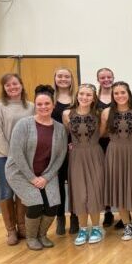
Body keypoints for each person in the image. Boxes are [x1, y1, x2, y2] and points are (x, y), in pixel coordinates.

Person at [5, 85, 68, 250]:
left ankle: (42, 234)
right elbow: (16, 153)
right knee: (35, 203)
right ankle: (31, 237)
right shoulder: (23, 124)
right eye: (39, 104)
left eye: (47, 103)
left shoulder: (60, 129)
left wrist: (46, 177)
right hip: (20, 172)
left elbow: (60, 156)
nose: (43, 107)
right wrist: (32, 178)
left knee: (53, 203)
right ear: (35, 106)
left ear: (53, 105)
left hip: (47, 173)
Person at [100, 81, 132, 241]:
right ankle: (127, 224)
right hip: (114, 153)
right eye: (116, 93)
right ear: (113, 96)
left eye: (123, 92)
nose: (120, 96)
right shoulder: (107, 112)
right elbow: (100, 134)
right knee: (119, 189)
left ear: (128, 93)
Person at [0, 73, 34, 245]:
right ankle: (11, 231)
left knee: (22, 191)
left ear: (21, 85)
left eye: (15, 84)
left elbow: (33, 131)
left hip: (25, 157)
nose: (12, 87)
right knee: (7, 191)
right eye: (8, 85)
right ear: (4, 88)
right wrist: (12, 156)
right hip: (2, 157)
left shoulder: (30, 106)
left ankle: (22, 227)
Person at [62, 84, 106, 245]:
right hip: (76, 156)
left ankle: (95, 227)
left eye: (88, 95)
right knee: (80, 193)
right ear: (77, 95)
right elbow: (68, 135)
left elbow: (102, 134)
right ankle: (82, 228)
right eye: (82, 94)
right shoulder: (67, 114)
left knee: (94, 191)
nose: (84, 97)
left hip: (94, 154)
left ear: (93, 98)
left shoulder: (99, 114)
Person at [52, 67, 78, 236]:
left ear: (71, 79)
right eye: (60, 76)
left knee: (75, 185)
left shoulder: (77, 98)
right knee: (58, 184)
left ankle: (75, 217)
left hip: (74, 148)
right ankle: (60, 218)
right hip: (55, 148)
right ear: (55, 79)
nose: (63, 79)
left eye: (66, 76)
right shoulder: (50, 99)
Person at [95, 67, 116, 227]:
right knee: (104, 178)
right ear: (98, 80)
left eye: (109, 77)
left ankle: (125, 212)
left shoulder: (120, 95)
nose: (106, 80)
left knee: (119, 176)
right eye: (103, 77)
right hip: (100, 142)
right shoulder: (94, 99)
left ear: (113, 78)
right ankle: (108, 212)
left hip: (118, 143)